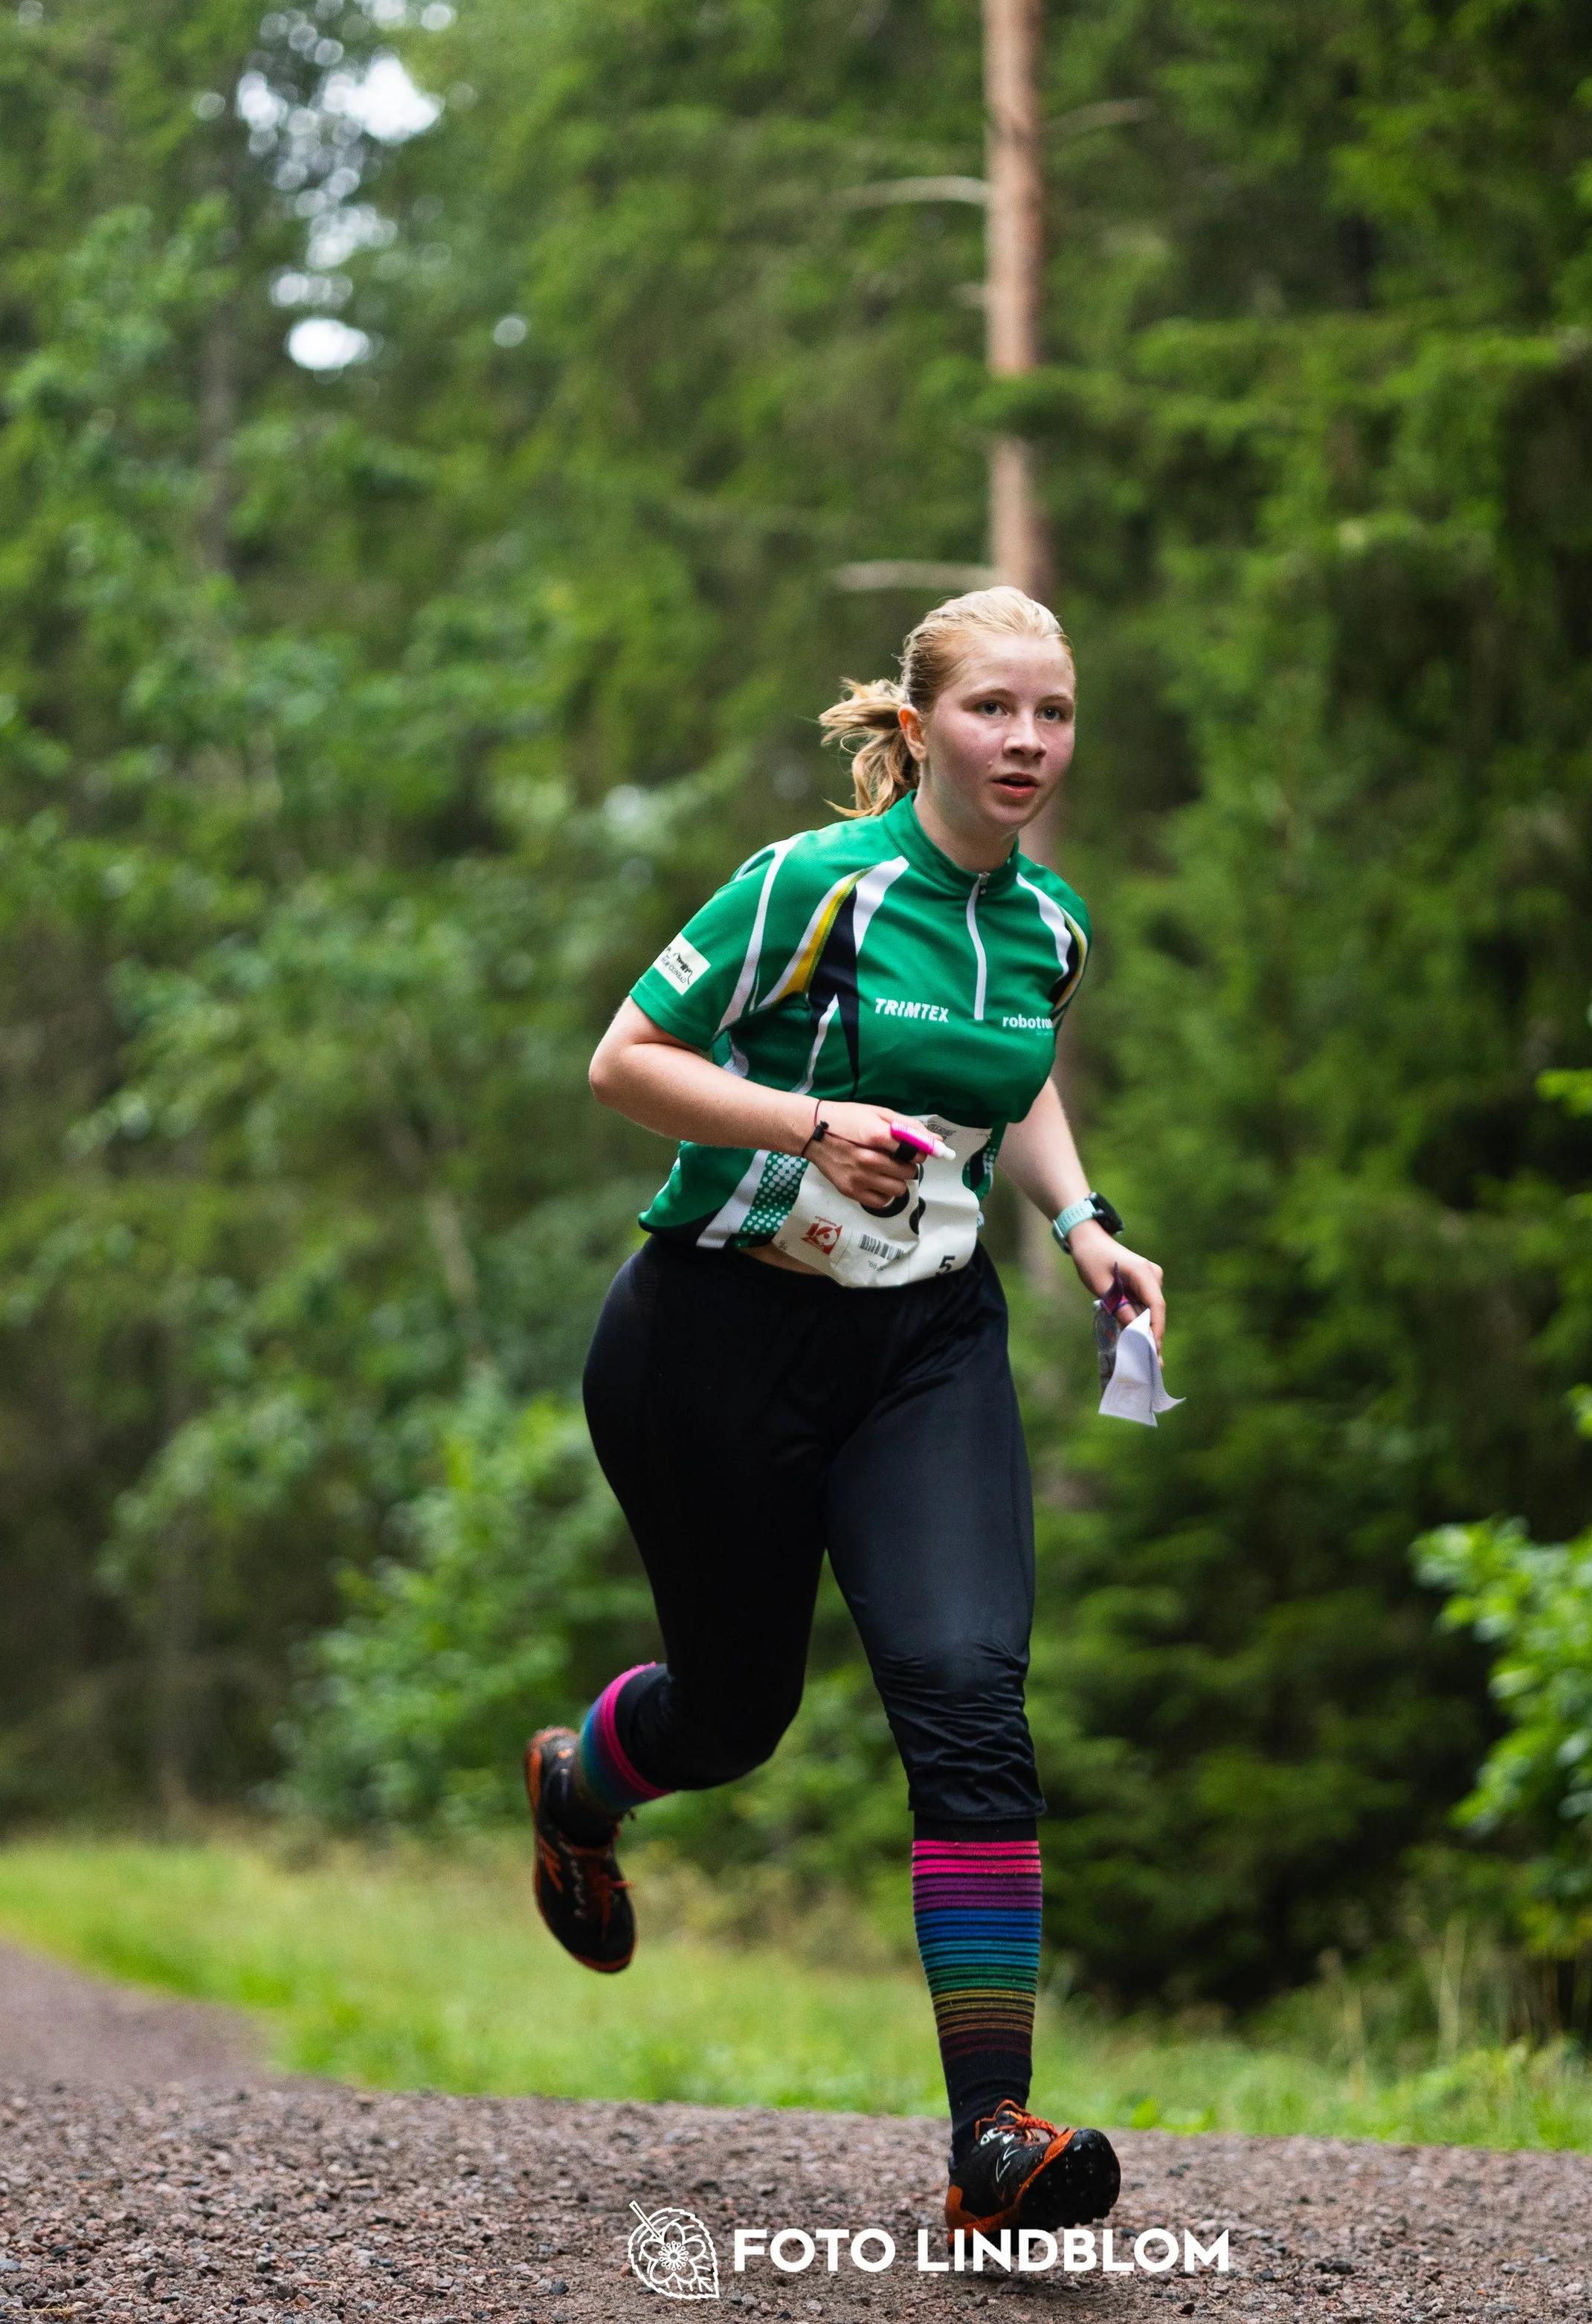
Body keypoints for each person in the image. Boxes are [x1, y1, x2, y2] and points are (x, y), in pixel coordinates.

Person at [524, 585, 1167, 2239]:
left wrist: (1082, 1221)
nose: (1025, 743)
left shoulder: (1052, 925)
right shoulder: (815, 885)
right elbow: (622, 1060)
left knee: (966, 1689)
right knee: (734, 1716)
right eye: (991, 711)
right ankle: (581, 1784)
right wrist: (810, 1123)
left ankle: (991, 2144)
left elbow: (1010, 1073)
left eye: (1052, 713)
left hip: (921, 1346)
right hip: (715, 1334)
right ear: (921, 723)